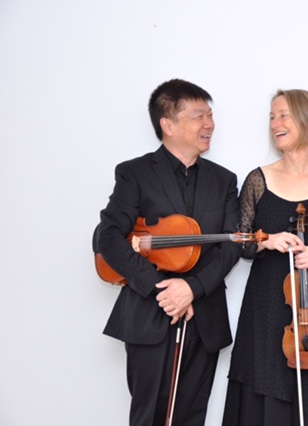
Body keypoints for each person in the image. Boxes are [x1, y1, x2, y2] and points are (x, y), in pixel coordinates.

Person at [95, 78, 241, 425]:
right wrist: (163, 290)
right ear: (168, 125)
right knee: (148, 416)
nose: (209, 124)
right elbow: (109, 238)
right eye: (198, 116)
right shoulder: (134, 173)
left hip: (204, 316)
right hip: (149, 314)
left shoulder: (224, 180)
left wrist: (192, 288)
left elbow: (231, 245)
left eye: (210, 115)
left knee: (191, 416)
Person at [222, 89, 308, 426]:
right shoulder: (258, 180)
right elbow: (241, 243)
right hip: (266, 303)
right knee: (264, 383)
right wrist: (267, 241)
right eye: (272, 117)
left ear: (307, 120)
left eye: (283, 116)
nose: (275, 124)